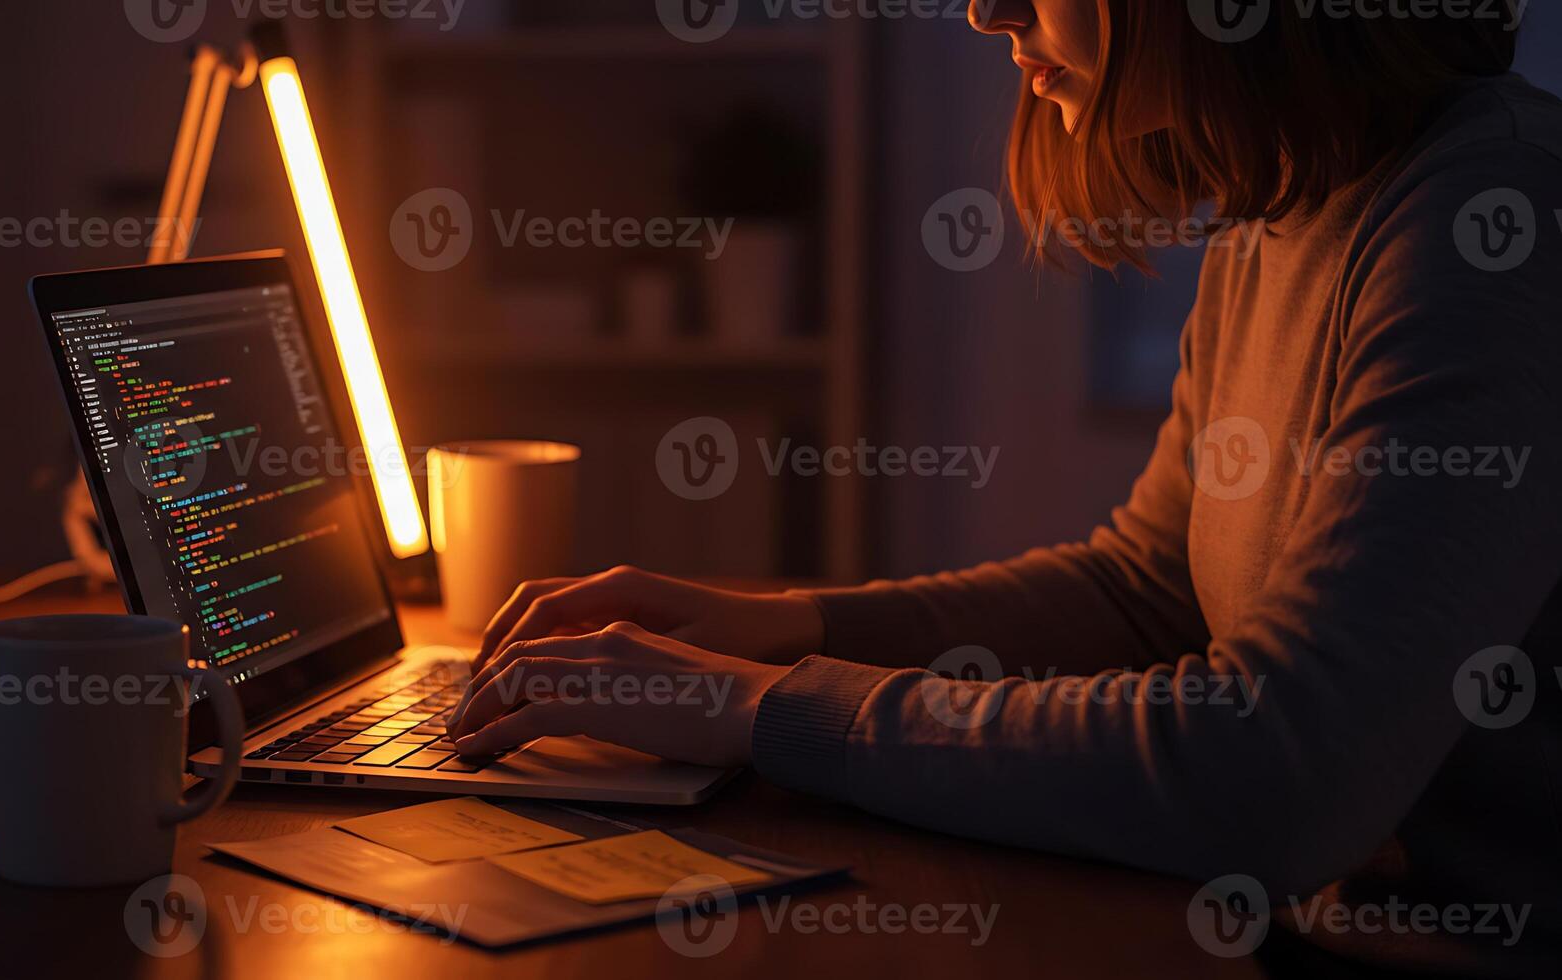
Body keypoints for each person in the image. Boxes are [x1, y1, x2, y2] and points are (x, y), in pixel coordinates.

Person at [449, 2, 1558, 975]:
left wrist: (759, 708)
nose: (986, 11)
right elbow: (1148, 590)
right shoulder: (1289, 195)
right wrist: (788, 628)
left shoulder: (1488, 227)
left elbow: (1282, 772)